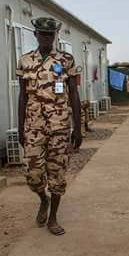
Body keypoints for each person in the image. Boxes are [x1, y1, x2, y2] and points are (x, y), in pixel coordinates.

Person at [17, 17, 82, 236]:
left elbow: (73, 93)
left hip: (60, 126)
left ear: (55, 35)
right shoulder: (25, 60)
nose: (46, 38)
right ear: (35, 35)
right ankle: (42, 199)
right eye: (42, 34)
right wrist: (20, 127)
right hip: (33, 125)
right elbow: (22, 96)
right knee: (32, 174)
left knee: (57, 172)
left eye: (50, 34)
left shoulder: (66, 60)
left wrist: (78, 128)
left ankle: (53, 217)